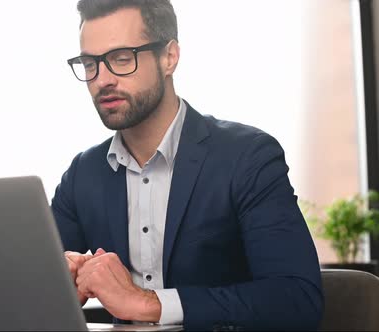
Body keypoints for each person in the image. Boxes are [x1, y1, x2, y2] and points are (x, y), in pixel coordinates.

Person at [51, 0, 323, 330]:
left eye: (121, 59)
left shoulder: (247, 157)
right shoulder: (83, 174)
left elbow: (297, 300)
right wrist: (60, 279)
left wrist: (147, 302)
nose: (102, 79)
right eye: (89, 63)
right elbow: (34, 289)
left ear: (169, 57)